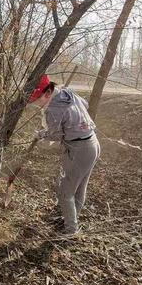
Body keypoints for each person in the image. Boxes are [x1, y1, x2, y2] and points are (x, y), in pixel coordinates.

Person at [28, 74, 100, 236]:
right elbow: (85, 104)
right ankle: (70, 219)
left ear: (47, 93)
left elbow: (55, 135)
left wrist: (40, 134)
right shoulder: (66, 92)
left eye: (37, 99)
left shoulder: (53, 109)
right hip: (93, 143)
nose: (36, 103)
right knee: (80, 187)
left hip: (79, 149)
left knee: (65, 191)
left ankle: (70, 231)